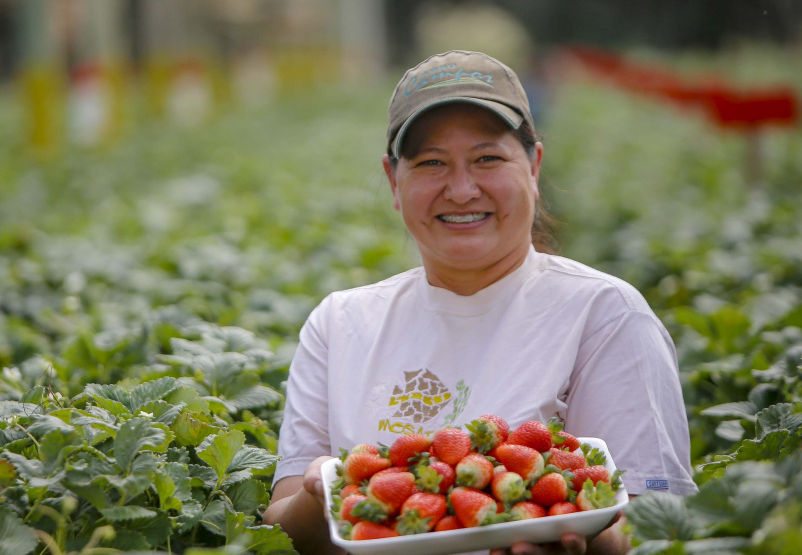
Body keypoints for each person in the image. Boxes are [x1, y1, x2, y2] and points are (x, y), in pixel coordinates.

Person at [262, 50, 696, 555]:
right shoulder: (340, 323)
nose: (462, 189)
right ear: (394, 182)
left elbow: (646, 525)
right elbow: (281, 524)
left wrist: (578, 536)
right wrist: (321, 490)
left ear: (533, 167)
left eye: (488, 158)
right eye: (431, 163)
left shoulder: (605, 314)